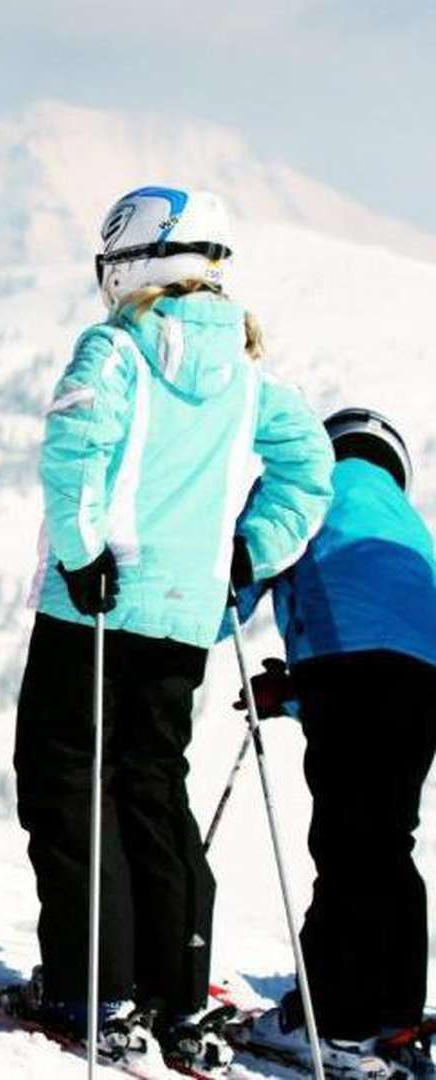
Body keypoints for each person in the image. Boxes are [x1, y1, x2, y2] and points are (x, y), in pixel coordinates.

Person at [12, 186, 334, 1070]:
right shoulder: (249, 374)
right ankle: (176, 993)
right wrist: (247, 552)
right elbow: (311, 467)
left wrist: (83, 552)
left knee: (67, 784)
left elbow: (76, 444)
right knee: (152, 786)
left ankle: (93, 989)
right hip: (187, 612)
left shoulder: (115, 349)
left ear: (133, 263)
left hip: (98, 602)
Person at [232, 408, 436, 1078]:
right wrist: (294, 694)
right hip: (420, 682)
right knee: (384, 840)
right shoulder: (408, 523)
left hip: (349, 671)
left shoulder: (309, 477)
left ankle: (333, 1022)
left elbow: (245, 575)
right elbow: (387, 642)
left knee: (348, 844)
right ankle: (395, 1017)